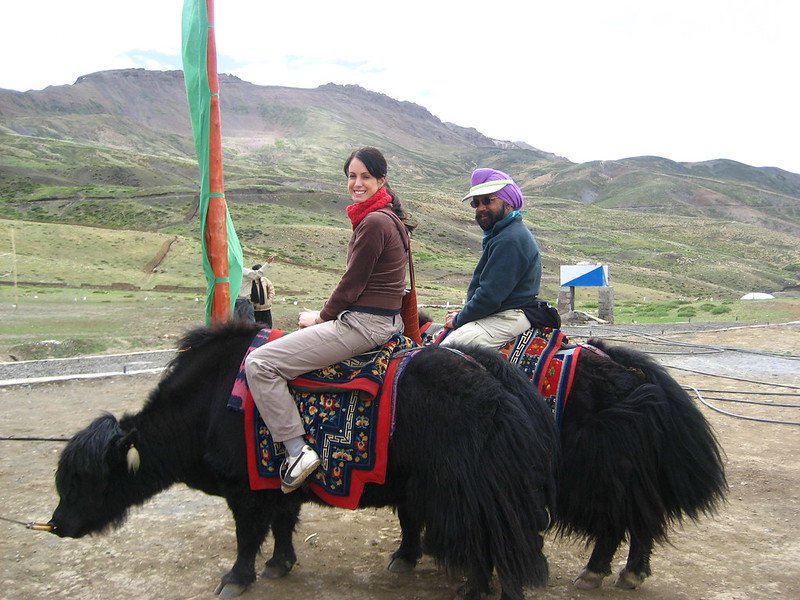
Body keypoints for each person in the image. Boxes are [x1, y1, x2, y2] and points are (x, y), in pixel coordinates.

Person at [245, 147, 410, 493]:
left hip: (364, 325)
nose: (357, 183)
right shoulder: (388, 217)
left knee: (260, 363)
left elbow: (352, 285)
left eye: (365, 176)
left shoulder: (375, 222)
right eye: (352, 176)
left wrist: (320, 317)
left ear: (382, 180)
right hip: (384, 320)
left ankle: (295, 451)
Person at [440, 168, 541, 349]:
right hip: (500, 313)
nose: (481, 208)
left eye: (487, 200)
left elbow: (490, 296)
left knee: (447, 352)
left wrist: (459, 319)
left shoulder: (509, 239)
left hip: (507, 315)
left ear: (508, 203)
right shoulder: (503, 234)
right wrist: (464, 314)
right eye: (476, 203)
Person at [235, 257, 274, 322]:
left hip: (234, 301)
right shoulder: (242, 271)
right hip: (244, 301)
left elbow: (271, 290)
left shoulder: (229, 272)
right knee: (249, 324)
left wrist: (268, 302)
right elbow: (257, 274)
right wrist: (267, 263)